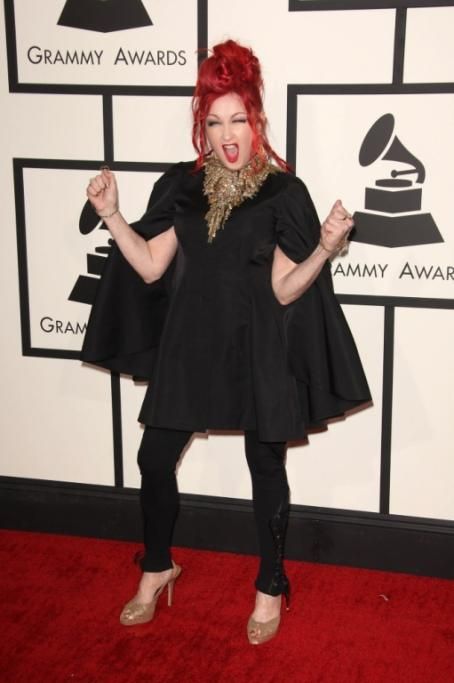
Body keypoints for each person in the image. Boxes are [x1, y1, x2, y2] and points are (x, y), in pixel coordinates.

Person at [83, 39, 371, 645]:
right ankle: (157, 568)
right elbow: (152, 266)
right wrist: (112, 215)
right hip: (190, 347)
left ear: (255, 119)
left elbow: (285, 289)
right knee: (153, 460)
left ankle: (270, 583)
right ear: (202, 127)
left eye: (237, 119)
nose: (226, 134)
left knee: (264, 464)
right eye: (214, 122)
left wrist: (324, 248)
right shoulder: (182, 187)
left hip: (257, 348)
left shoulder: (283, 192)